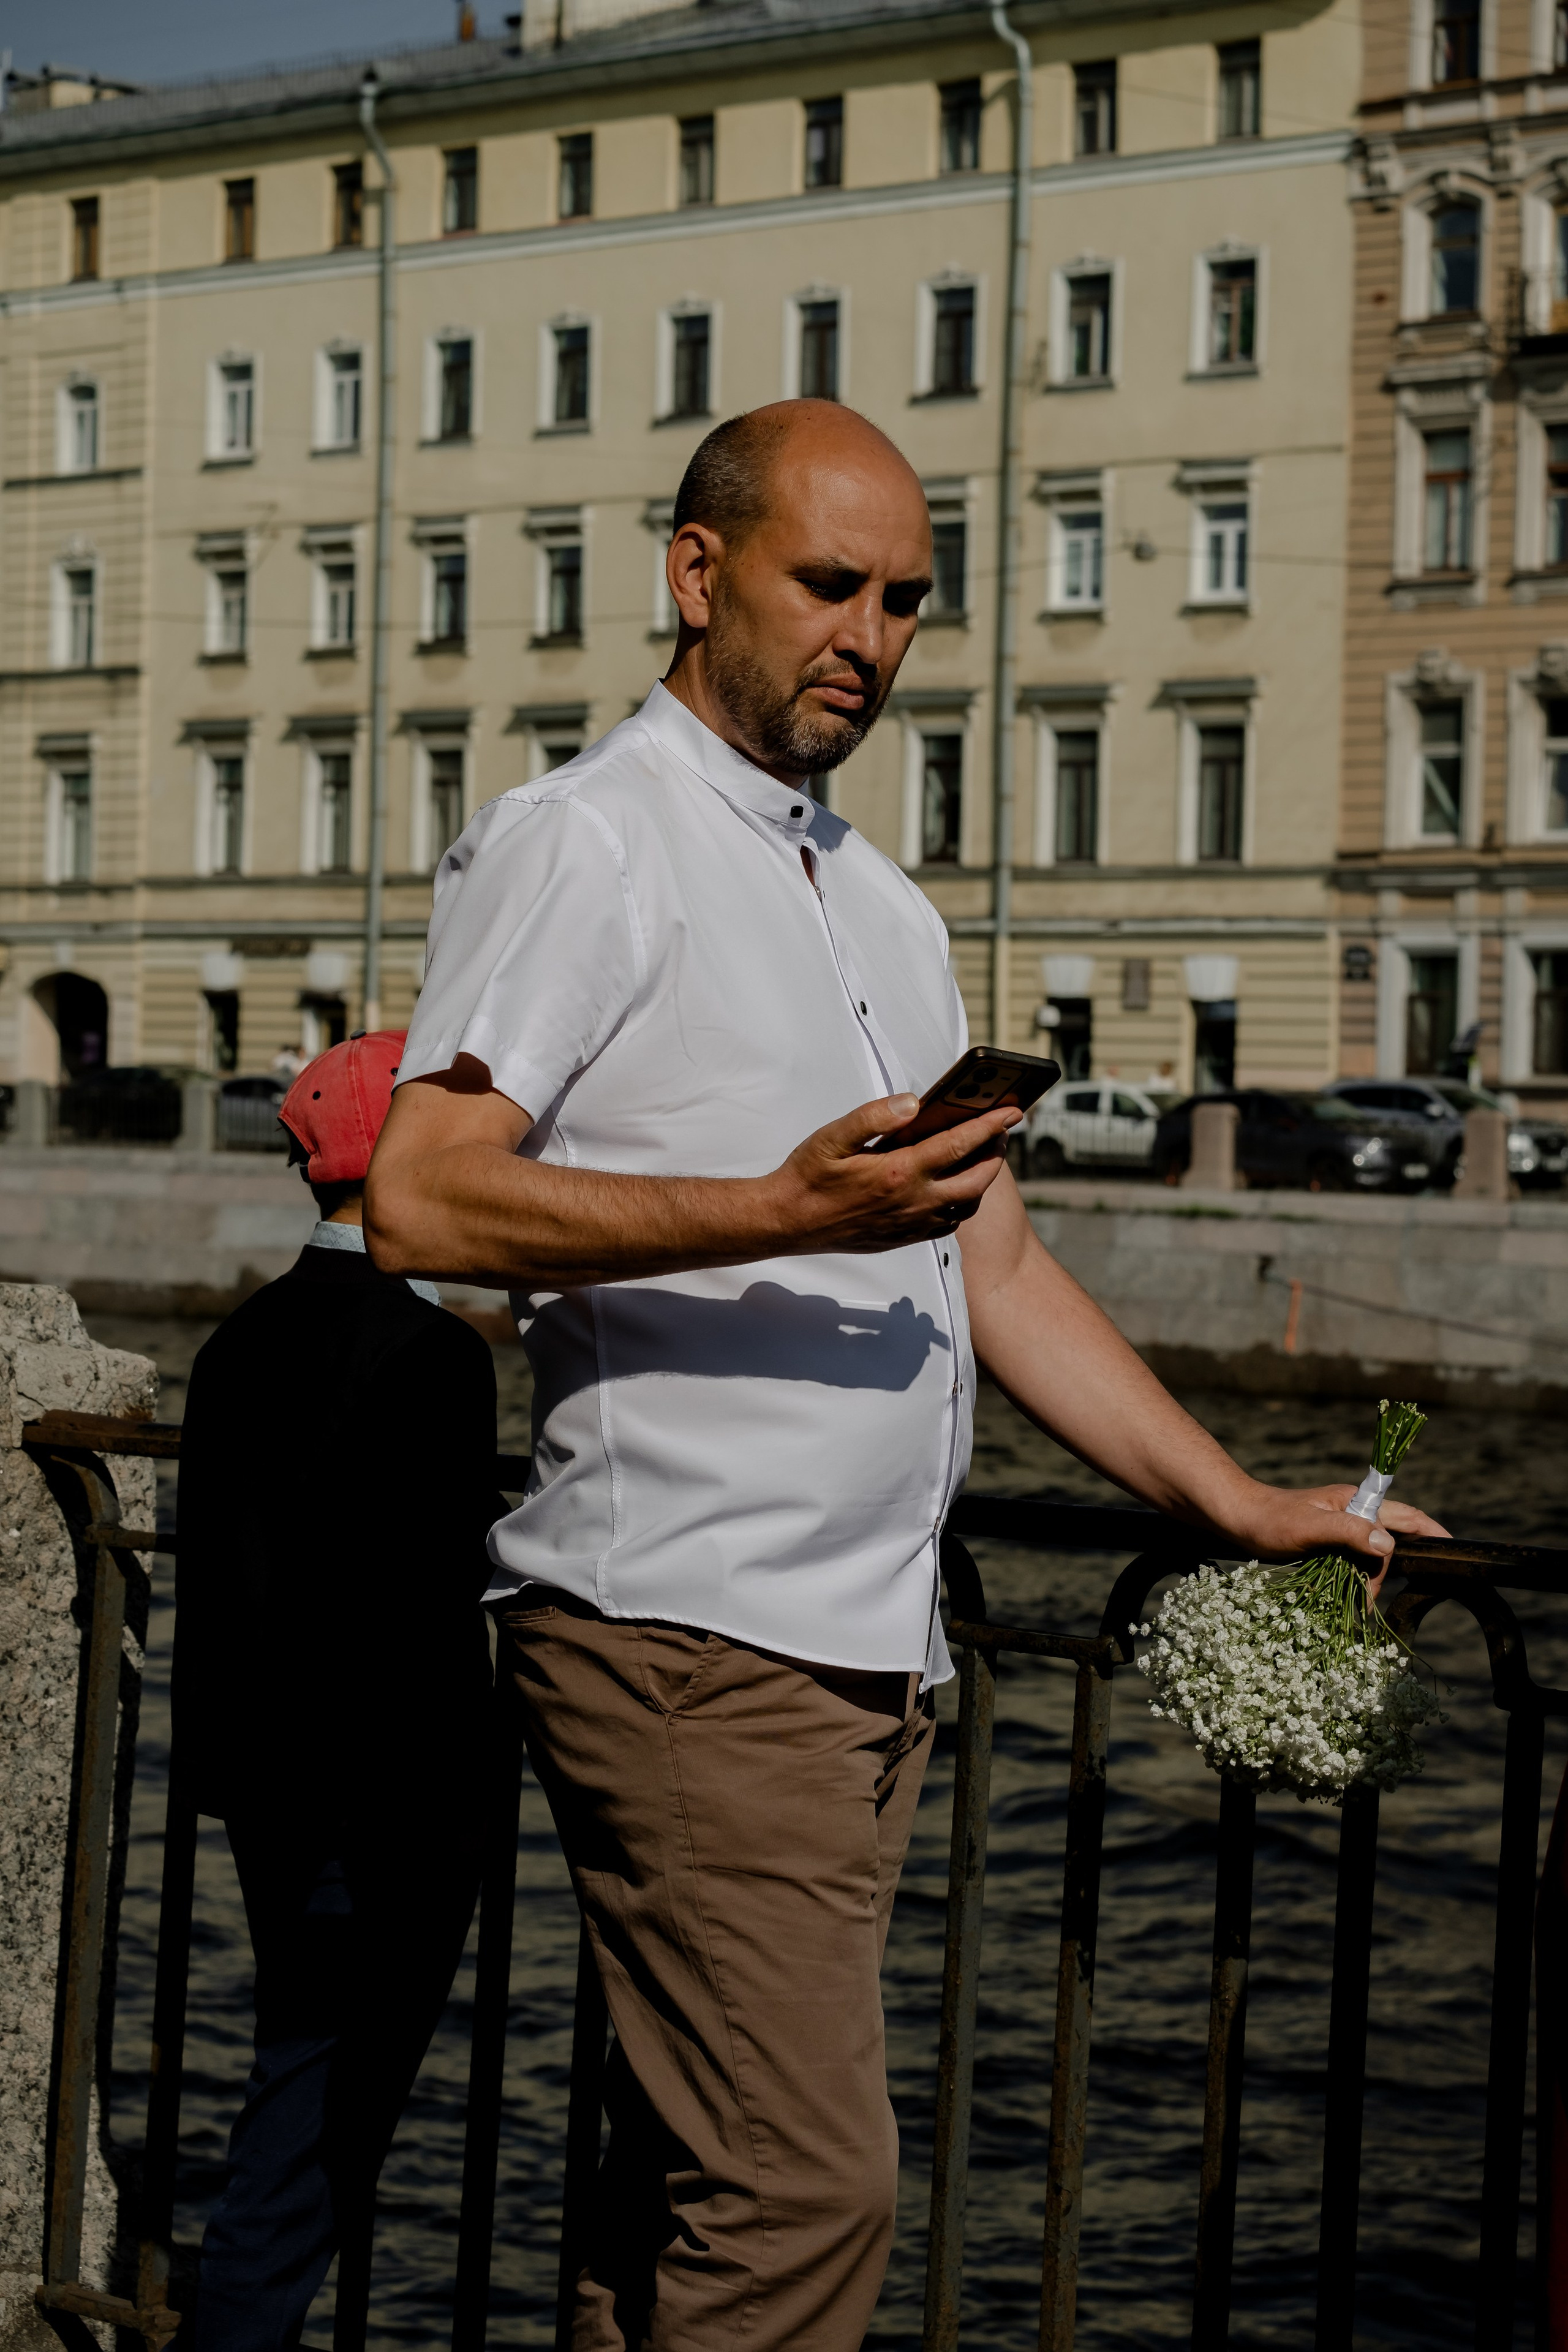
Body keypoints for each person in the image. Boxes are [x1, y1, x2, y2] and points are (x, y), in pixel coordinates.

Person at [364, 399, 1448, 2351]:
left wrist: (1240, 1499)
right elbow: (422, 1203)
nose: (871, 634)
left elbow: (993, 1256)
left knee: (685, 2187)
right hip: (689, 1627)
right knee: (802, 2197)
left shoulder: (877, 900)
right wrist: (780, 1206)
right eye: (830, 583)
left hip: (854, 1649)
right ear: (698, 578)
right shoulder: (588, 840)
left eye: (909, 602)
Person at [173, 1029, 500, 2352]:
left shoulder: (239, 1340)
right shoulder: (437, 1357)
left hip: (263, 1785)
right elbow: (421, 1613)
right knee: (321, 2114)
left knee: (302, 2076)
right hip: (384, 1815)